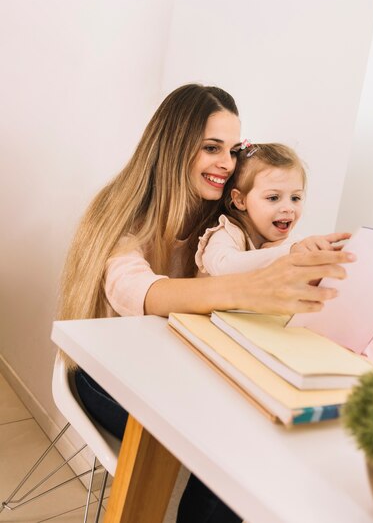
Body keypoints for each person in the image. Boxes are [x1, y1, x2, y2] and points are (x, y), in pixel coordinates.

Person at [58, 83, 355, 523]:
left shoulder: (214, 218)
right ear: (175, 146)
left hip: (171, 367)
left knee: (256, 433)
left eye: (234, 150)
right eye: (212, 147)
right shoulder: (122, 213)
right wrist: (250, 287)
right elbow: (140, 291)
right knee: (226, 449)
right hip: (105, 375)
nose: (227, 164)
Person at [196, 141, 350, 276]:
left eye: (295, 198)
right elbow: (221, 266)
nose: (288, 208)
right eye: (273, 198)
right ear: (240, 200)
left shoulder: (290, 242)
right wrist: (288, 253)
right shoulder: (229, 232)